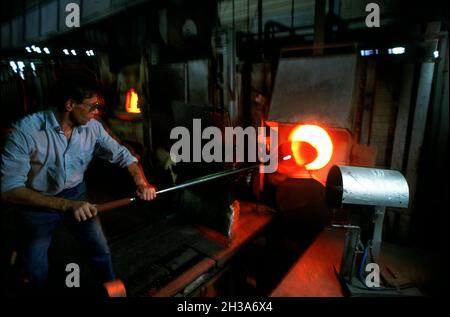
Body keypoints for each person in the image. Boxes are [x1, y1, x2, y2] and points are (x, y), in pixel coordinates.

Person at [1, 74, 156, 293]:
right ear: (70, 104)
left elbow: (123, 155)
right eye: (92, 106)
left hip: (76, 195)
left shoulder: (92, 127)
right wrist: (66, 206)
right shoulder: (25, 132)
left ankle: (111, 286)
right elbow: (9, 189)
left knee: (99, 247)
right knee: (34, 267)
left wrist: (142, 182)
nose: (97, 112)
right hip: (36, 204)